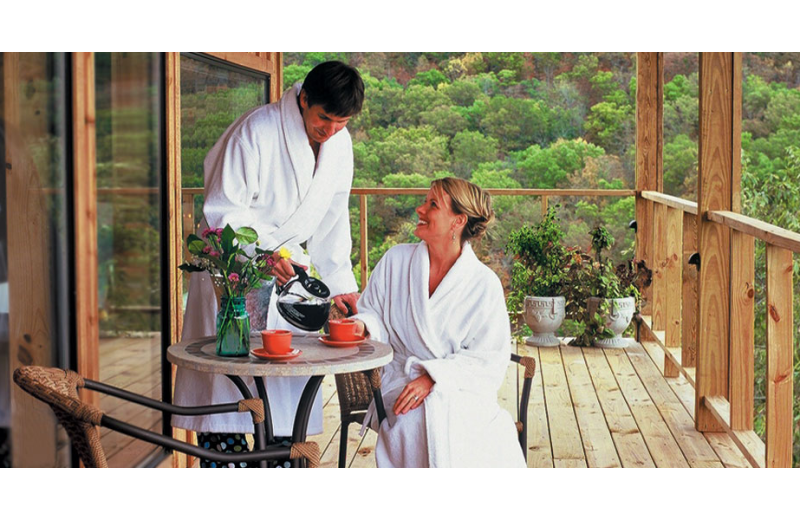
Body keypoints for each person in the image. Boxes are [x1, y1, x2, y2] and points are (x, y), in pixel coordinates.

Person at [173, 62, 365, 467]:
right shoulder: (256, 131)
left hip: (290, 277)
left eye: (341, 122)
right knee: (231, 402)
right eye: (323, 119)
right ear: (304, 99)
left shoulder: (339, 144)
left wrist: (339, 282)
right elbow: (222, 211)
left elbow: (333, 218)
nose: (329, 130)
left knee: (284, 404)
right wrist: (264, 253)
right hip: (238, 276)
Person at [351, 177, 526, 469]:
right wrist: (363, 326)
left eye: (432, 204)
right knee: (417, 420)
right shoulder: (396, 261)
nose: (420, 209)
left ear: (458, 221)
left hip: (462, 387)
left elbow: (488, 361)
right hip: (401, 381)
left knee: (462, 423)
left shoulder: (484, 284)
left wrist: (434, 377)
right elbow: (373, 313)